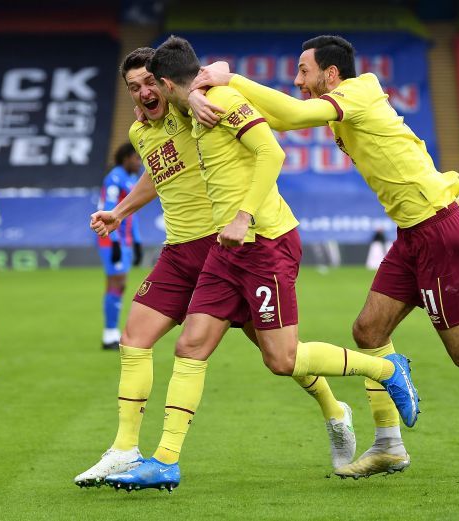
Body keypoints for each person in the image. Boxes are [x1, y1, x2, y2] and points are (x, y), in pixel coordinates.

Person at [190, 34, 459, 479]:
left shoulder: (359, 89)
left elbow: (292, 116)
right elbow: (272, 117)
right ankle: (388, 446)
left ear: (331, 73)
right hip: (412, 234)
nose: (297, 80)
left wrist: (234, 77)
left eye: (303, 71)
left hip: (439, 230)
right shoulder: (341, 110)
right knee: (368, 330)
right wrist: (196, 95)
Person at [103, 36, 419, 493]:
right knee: (190, 347)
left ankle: (387, 370)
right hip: (225, 250)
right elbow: (180, 103)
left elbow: (274, 152)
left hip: (265, 241)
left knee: (281, 359)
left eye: (154, 85)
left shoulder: (222, 100)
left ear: (167, 83)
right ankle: (165, 461)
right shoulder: (185, 107)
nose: (148, 95)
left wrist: (243, 213)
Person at [97, 143, 143, 350]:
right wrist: (114, 242)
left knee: (118, 284)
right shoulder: (114, 178)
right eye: (136, 159)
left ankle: (111, 332)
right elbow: (108, 210)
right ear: (126, 158)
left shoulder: (131, 179)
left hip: (124, 240)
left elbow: (132, 214)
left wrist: (138, 240)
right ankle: (110, 334)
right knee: (117, 283)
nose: (139, 163)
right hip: (111, 238)